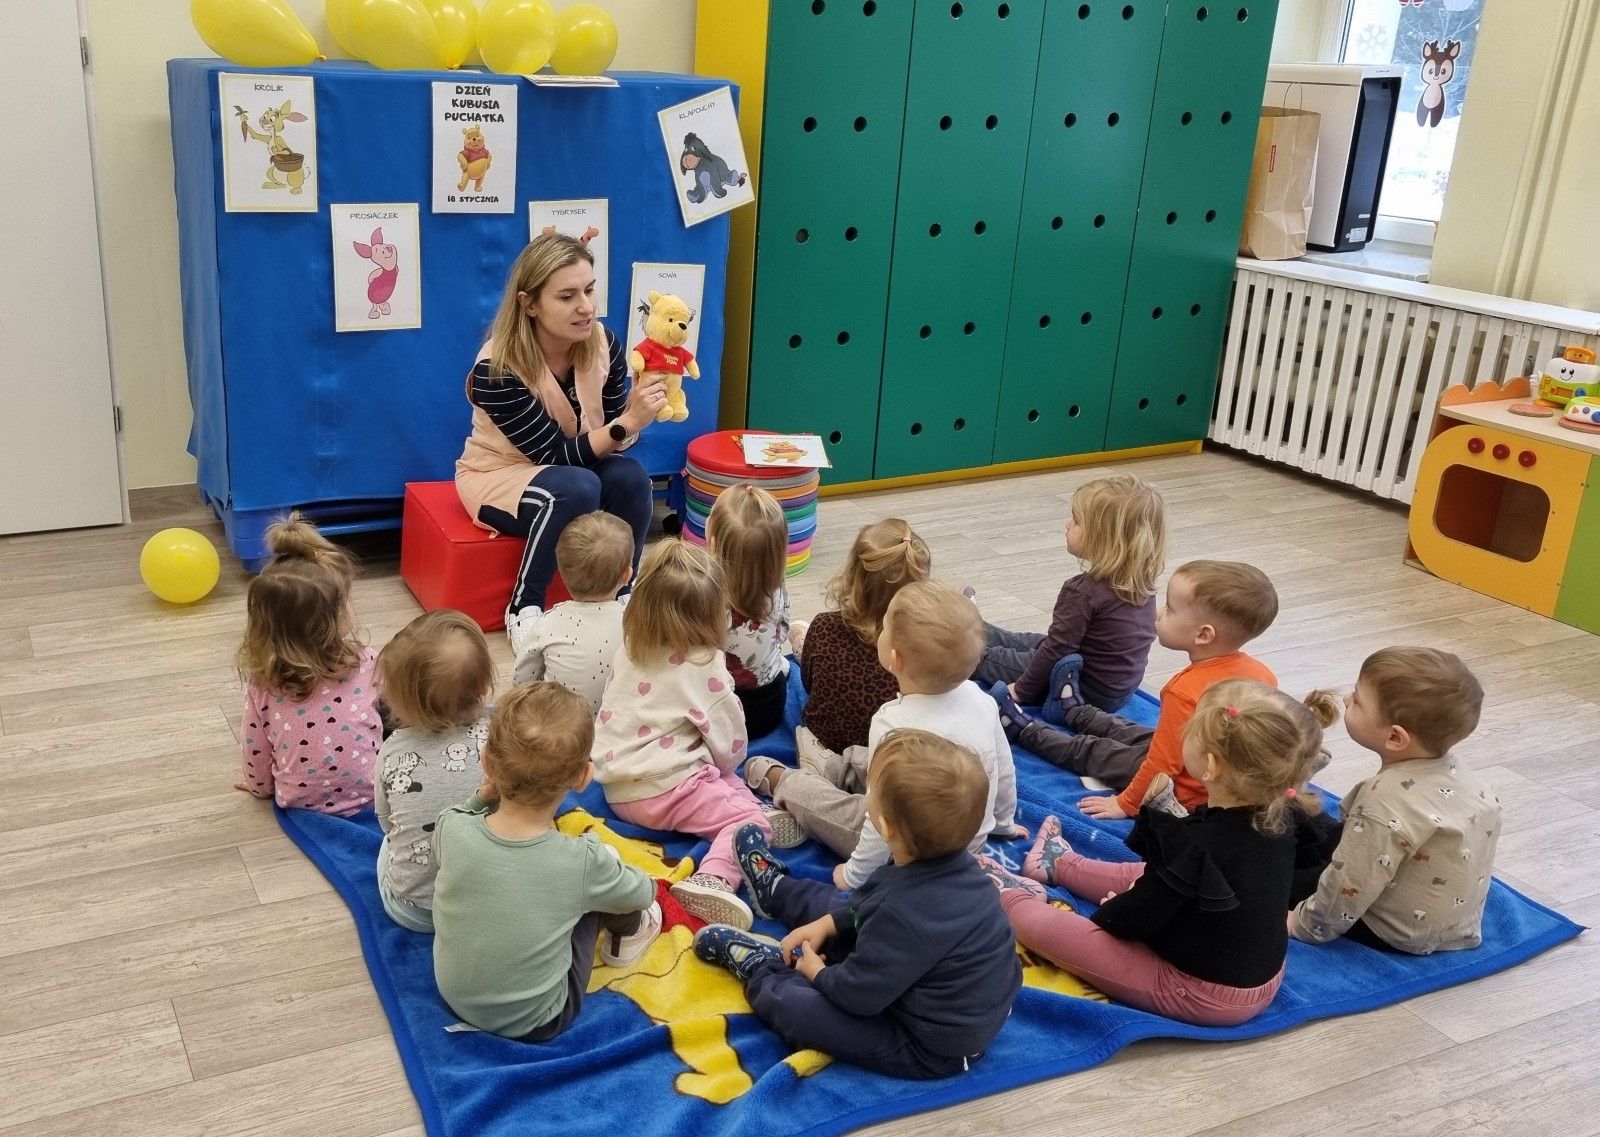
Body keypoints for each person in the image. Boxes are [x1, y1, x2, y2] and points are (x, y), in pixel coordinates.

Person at [983, 679, 1338, 1027]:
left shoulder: (1200, 844)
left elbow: (1136, 916)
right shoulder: (1288, 815)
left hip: (1202, 992)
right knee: (1157, 872)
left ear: (1211, 765)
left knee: (1058, 932)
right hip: (1258, 973)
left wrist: (1114, 912)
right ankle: (1060, 864)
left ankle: (1011, 896)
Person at [693, 730, 1022, 1079]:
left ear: (885, 827)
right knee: (839, 908)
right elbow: (867, 906)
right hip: (909, 975)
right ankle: (777, 891)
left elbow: (858, 995)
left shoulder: (902, 914)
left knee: (801, 1011)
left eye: (871, 792)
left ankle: (763, 969)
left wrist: (817, 973)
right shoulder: (953, 866)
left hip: (928, 1045)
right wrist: (827, 923)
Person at [455, 233, 670, 656]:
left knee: (631, 477)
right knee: (577, 487)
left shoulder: (605, 344)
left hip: (573, 469)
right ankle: (524, 607)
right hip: (500, 475)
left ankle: (623, 594)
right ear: (529, 304)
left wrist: (635, 415)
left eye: (589, 290)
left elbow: (614, 442)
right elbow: (553, 455)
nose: (586, 306)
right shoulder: (496, 369)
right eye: (568, 296)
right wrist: (627, 422)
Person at [744, 580, 1024, 891]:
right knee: (875, 761)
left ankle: (786, 782)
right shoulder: (982, 699)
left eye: (884, 626)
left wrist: (854, 874)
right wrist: (1002, 823)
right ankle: (832, 766)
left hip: (907, 854)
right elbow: (1003, 767)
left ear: (894, 658)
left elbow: (880, 824)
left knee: (833, 807)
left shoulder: (892, 722)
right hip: (968, 839)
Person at [431, 682, 662, 1042]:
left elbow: (457, 823)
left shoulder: (452, 827)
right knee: (601, 883)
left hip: (455, 998)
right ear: (584, 777)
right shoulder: (580, 862)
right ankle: (631, 932)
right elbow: (643, 892)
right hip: (540, 1021)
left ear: (486, 761)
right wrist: (607, 864)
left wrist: (481, 798)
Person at [998, 560, 1279, 820]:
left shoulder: (1184, 691)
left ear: (1203, 634)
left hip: (1181, 786)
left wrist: (1126, 804)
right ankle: (1074, 712)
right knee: (1130, 731)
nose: (1158, 613)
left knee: (1096, 751)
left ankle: (1024, 730)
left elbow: (1163, 765)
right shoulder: (1262, 673)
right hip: (1201, 764)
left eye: (1170, 608)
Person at [589, 540, 777, 930]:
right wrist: (724, 768)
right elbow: (730, 749)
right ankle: (714, 879)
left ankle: (747, 804)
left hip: (616, 787)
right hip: (665, 791)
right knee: (750, 822)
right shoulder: (704, 663)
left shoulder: (631, 646)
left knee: (712, 773)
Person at [1290, 647, 1500, 954]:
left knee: (1272, 877)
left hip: (1395, 931)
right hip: (1454, 924)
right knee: (1317, 827)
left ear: (1395, 737)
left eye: (1357, 700)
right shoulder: (1464, 777)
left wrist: (1303, 924)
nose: (1346, 699)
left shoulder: (1383, 801)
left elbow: (1349, 884)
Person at [978, 474, 1167, 720]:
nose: (1068, 525)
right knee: (1027, 640)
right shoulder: (1142, 581)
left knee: (984, 657)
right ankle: (972, 626)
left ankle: (958, 642)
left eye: (1076, 521)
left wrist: (1021, 690)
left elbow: (1057, 651)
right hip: (1118, 689)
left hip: (1082, 687)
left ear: (1103, 539)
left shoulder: (1083, 591)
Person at [235, 512, 378, 815]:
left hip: (301, 804)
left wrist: (258, 788)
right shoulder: (366, 662)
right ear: (333, 619)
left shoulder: (263, 686)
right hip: (374, 794)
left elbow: (255, 750)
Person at [372, 610, 495, 933]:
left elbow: (385, 821)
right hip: (485, 903)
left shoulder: (392, 750)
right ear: (485, 684)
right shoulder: (500, 737)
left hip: (413, 911)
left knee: (389, 843)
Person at [791, 518, 931, 786]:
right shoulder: (923, 649)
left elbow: (808, 683)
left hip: (827, 741)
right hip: (890, 757)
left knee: (800, 632)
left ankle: (820, 764)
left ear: (852, 577)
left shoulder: (825, 627)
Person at [510, 510, 633, 714]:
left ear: (561, 574)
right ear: (627, 575)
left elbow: (520, 681)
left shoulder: (547, 623)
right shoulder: (635, 623)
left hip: (561, 726)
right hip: (620, 725)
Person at [706, 484, 794, 740]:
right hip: (771, 704)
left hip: (724, 713)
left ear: (713, 543)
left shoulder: (706, 597)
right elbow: (782, 633)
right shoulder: (776, 589)